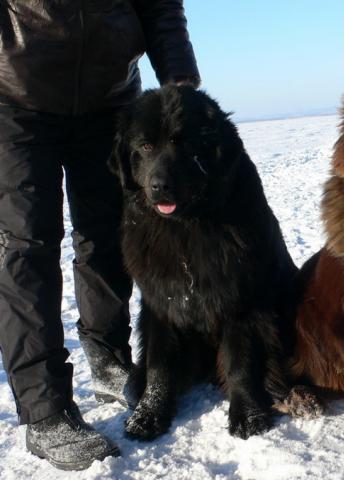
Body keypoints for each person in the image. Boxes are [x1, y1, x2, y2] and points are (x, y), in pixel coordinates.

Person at [0, 1, 199, 471]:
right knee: (27, 245)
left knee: (108, 235)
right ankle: (46, 410)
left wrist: (181, 81)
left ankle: (109, 359)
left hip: (109, 99)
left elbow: (160, 6)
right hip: (15, 93)